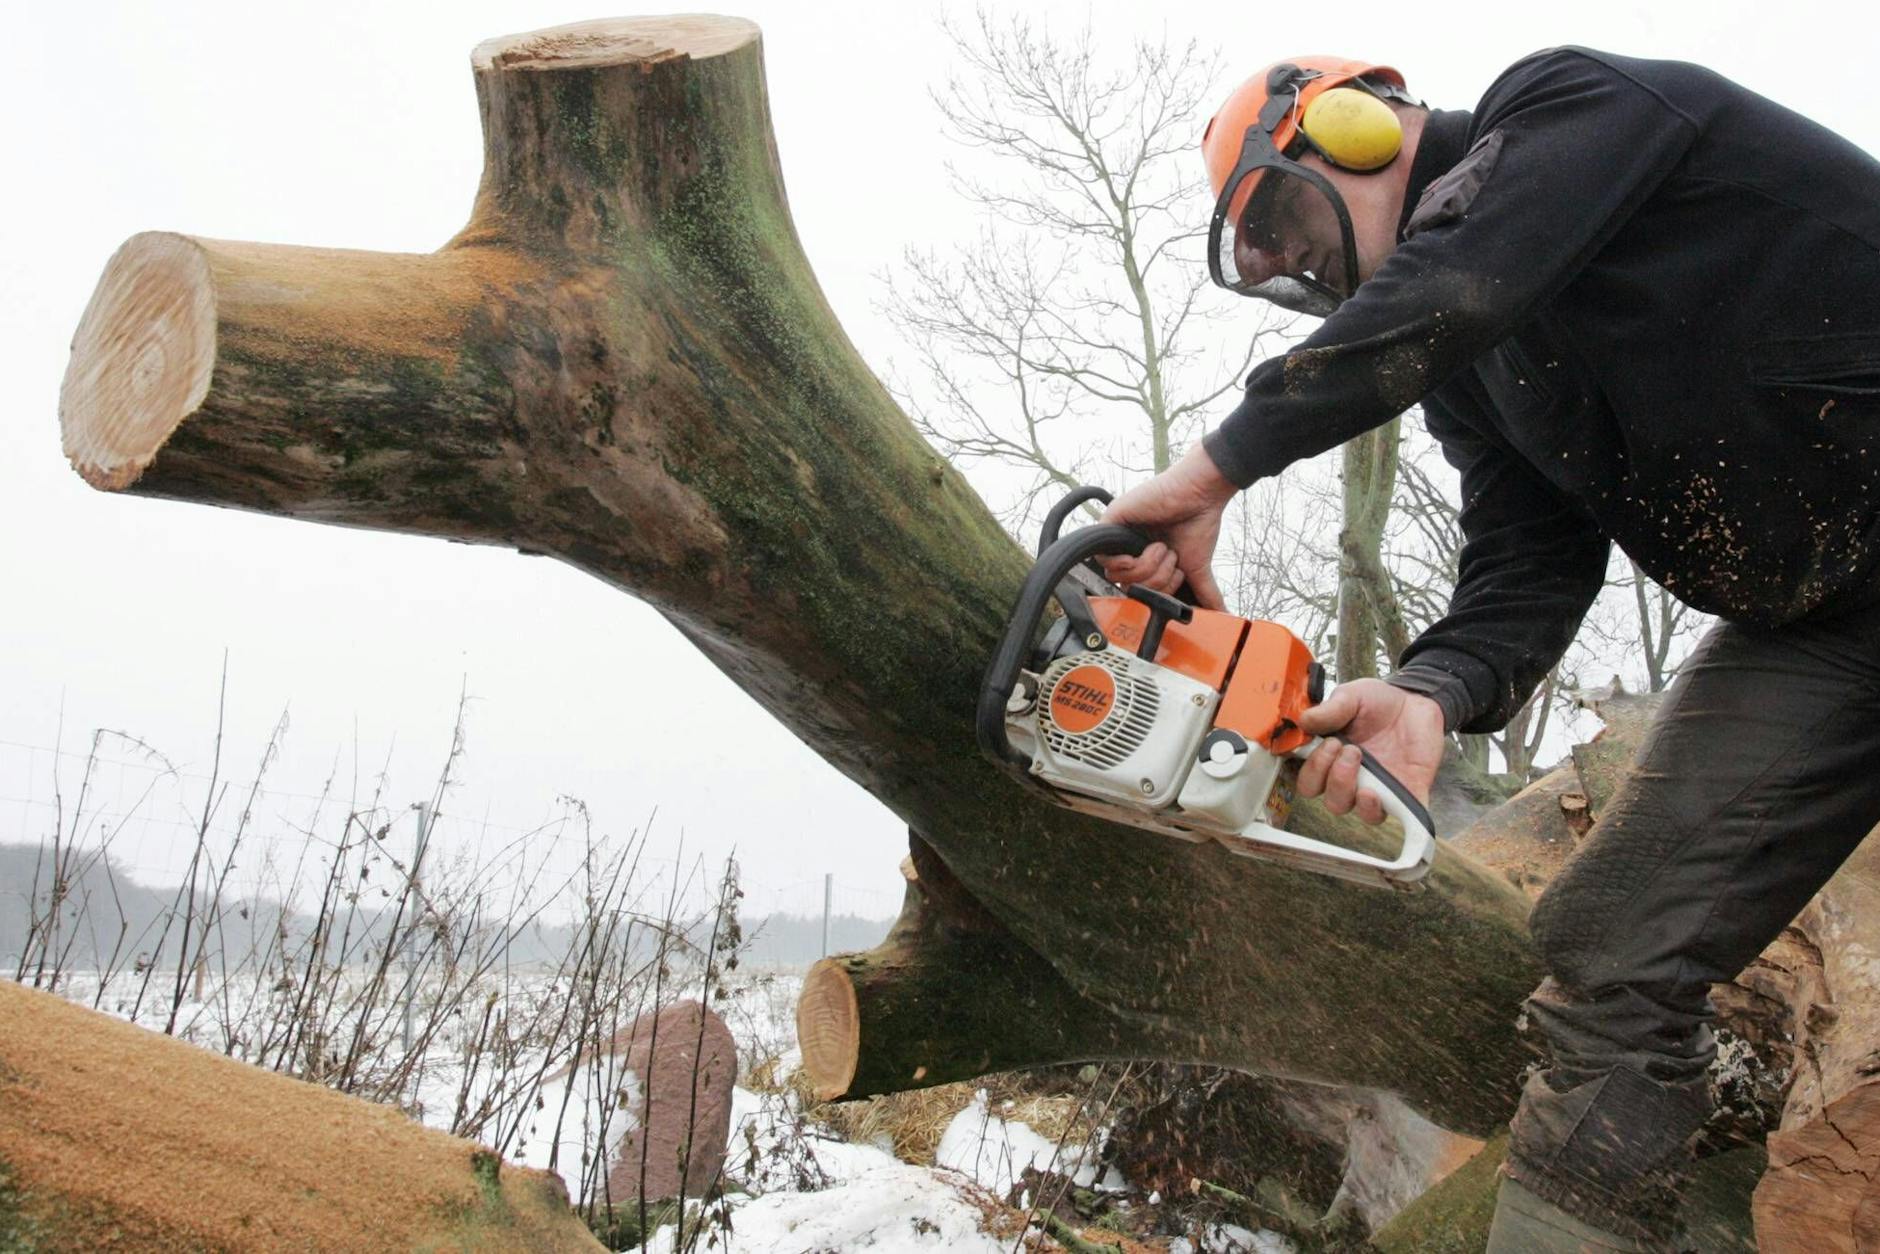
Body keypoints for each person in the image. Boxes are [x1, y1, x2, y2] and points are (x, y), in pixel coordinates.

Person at [1100, 49, 1880, 1251]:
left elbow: (1459, 282)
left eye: (1283, 217)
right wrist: (1428, 690)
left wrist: (1216, 468)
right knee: (1608, 947)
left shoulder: (1570, 110)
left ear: (1354, 126)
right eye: (1265, 251)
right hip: (1826, 627)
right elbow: (1528, 561)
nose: (1293, 259)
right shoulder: (1469, 368)